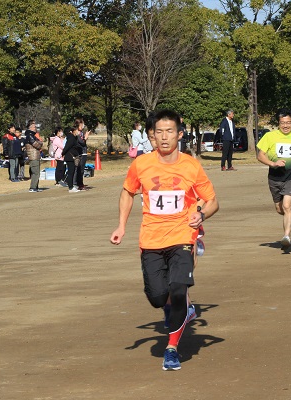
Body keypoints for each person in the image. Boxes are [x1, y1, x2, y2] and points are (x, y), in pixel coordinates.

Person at [110, 109, 218, 371]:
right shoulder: (141, 164)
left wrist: (201, 215)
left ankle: (171, 348)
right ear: (152, 136)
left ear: (180, 134)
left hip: (182, 235)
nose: (165, 137)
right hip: (151, 239)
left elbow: (213, 201)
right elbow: (127, 193)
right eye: (159, 132)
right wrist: (121, 226)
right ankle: (173, 308)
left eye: (170, 131)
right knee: (159, 298)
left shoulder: (191, 165)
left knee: (179, 291)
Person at [256, 108, 291, 249]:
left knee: (286, 205)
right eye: (282, 123)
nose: (286, 126)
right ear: (278, 123)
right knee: (280, 209)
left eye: (289, 123)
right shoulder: (269, 136)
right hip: (274, 177)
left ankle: (286, 236)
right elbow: (260, 155)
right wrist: (273, 163)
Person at [24, 120, 43, 193]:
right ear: (31, 126)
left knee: (36, 172)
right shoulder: (30, 135)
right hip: (33, 156)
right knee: (36, 172)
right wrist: (40, 143)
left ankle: (36, 186)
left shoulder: (32, 135)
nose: (35, 128)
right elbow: (37, 144)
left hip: (35, 155)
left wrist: (40, 143)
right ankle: (33, 187)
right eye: (34, 126)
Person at [62, 125, 81, 193]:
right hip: (70, 157)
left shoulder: (72, 137)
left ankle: (72, 186)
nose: (77, 131)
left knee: (72, 172)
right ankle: (70, 187)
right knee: (71, 172)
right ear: (71, 131)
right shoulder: (71, 138)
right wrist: (62, 153)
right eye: (76, 130)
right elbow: (67, 147)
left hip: (71, 157)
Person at [74, 118, 90, 191]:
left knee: (81, 169)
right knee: (80, 169)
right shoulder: (77, 133)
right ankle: (78, 184)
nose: (83, 125)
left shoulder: (81, 132)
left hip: (83, 151)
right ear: (79, 124)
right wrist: (85, 138)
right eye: (82, 124)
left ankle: (80, 183)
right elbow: (81, 142)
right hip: (81, 152)